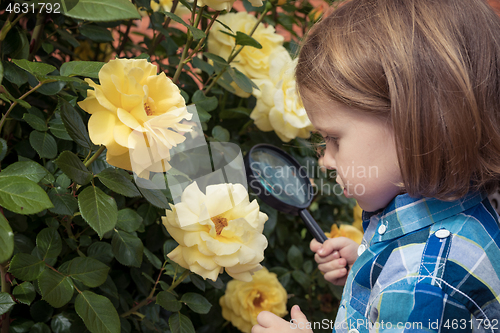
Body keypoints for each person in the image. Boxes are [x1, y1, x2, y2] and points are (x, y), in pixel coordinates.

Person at [252, 0, 500, 332]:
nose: (324, 160)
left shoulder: (421, 282)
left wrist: (398, 281)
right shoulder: (464, 219)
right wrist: (374, 270)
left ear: (417, 128)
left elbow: (420, 289)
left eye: (335, 139)